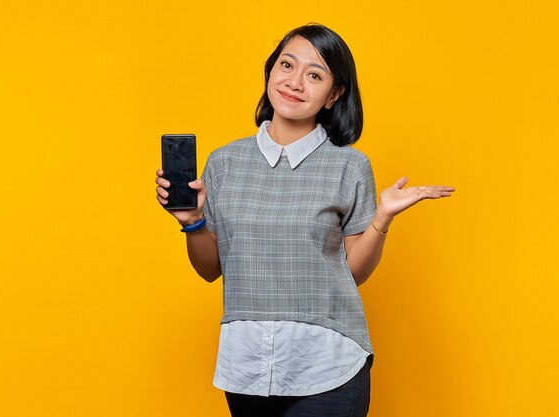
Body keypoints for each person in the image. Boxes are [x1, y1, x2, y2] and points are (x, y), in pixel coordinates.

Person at [155, 23, 455, 417]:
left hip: (328, 363)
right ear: (270, 72)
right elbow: (210, 268)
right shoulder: (224, 163)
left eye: (314, 75)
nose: (295, 82)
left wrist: (383, 217)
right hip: (247, 364)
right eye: (287, 65)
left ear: (334, 95)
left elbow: (355, 271)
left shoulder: (349, 165)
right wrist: (192, 220)